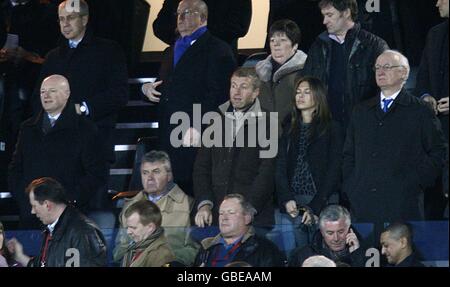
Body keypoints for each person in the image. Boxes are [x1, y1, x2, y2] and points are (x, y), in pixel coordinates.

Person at [142, 0, 236, 196]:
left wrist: (200, 125)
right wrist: (148, 89)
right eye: (178, 13)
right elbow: (166, 85)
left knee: (195, 190)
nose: (180, 17)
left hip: (196, 136)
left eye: (187, 12)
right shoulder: (171, 50)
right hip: (168, 133)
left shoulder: (218, 50)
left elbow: (219, 95)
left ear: (202, 18)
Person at [342, 50, 447, 225]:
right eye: (377, 68)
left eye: (387, 67)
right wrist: (352, 185)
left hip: (403, 204)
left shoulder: (420, 111)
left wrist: (416, 182)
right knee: (367, 251)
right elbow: (348, 154)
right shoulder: (361, 111)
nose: (380, 71)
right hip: (364, 203)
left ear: (404, 73)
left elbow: (438, 152)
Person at [33, 0, 129, 167]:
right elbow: (37, 98)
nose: (65, 24)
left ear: (84, 20)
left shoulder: (109, 51)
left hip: (95, 145)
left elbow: (119, 94)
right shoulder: (53, 57)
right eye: (61, 19)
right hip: (59, 147)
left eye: (70, 17)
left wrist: (84, 108)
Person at [8, 74, 108, 229]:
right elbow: (16, 169)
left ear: (67, 94)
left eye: (52, 91)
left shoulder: (85, 129)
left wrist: (66, 201)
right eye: (42, 92)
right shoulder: (27, 128)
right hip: (31, 215)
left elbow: (96, 173)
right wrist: (27, 201)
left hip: (69, 216)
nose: (46, 95)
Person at [193, 67, 276, 229]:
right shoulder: (216, 119)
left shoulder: (268, 123)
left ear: (255, 92)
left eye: (243, 87)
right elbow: (201, 167)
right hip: (217, 214)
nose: (236, 92)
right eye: (233, 85)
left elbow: (267, 171)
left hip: (252, 218)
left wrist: (249, 209)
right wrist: (204, 203)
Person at [276, 76, 343, 249]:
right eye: (298, 92)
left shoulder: (332, 128)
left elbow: (334, 169)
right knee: (294, 253)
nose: (300, 96)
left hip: (321, 200)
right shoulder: (289, 128)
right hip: (293, 202)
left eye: (307, 92)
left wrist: (316, 205)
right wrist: (286, 197)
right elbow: (280, 166)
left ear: (318, 96)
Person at [302, 0, 388, 129]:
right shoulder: (318, 46)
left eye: (330, 15)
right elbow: (307, 83)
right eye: (323, 15)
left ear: (346, 12)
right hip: (326, 129)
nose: (324, 21)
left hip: (363, 128)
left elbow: (388, 90)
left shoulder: (374, 46)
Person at [114, 150, 197, 266]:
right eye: (145, 173)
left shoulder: (188, 205)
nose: (150, 178)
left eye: (156, 172)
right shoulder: (129, 206)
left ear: (169, 176)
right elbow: (119, 248)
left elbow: (194, 249)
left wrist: (167, 261)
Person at [7, 177, 107, 267]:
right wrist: (19, 256)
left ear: (47, 204)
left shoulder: (81, 232)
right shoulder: (54, 229)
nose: (32, 211)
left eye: (34, 206)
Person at [416, 0, 449, 220]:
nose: (437, 3)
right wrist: (426, 96)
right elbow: (423, 77)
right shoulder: (435, 34)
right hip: (438, 132)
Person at [194, 194, 285, 267]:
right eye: (221, 213)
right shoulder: (207, 247)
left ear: (247, 218)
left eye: (231, 213)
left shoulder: (266, 250)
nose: (224, 218)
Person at [255, 19, 307, 133]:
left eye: (282, 40)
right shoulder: (259, 72)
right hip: (261, 137)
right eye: (272, 40)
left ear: (295, 46)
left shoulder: (305, 72)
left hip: (292, 136)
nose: (276, 45)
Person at [153, 0, 252, 54]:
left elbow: (240, 26)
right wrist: (181, 33)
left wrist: (198, 34)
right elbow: (159, 26)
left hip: (217, 59)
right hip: (180, 59)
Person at [289, 205, 365, 267]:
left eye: (341, 232)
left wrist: (357, 256)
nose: (336, 238)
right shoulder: (303, 256)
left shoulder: (367, 253)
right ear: (322, 232)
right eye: (330, 233)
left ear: (349, 229)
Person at [121, 200, 176, 267]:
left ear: (150, 227)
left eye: (133, 228)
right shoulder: (135, 247)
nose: (128, 232)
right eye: (128, 227)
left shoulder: (161, 254)